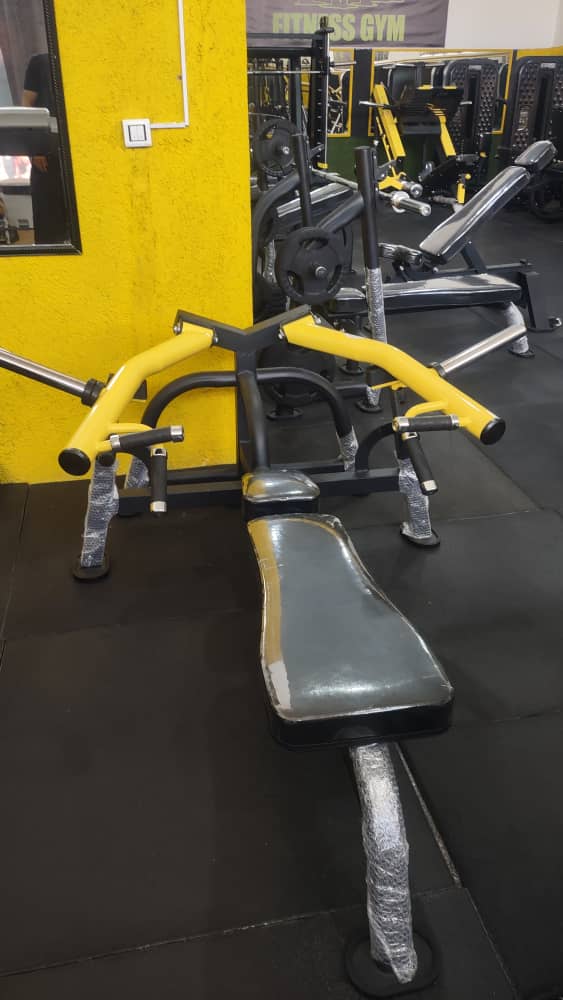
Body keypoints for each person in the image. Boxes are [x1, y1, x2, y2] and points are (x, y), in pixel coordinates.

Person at [22, 52, 68, 244]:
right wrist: (35, 148)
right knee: (49, 221)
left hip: (75, 151)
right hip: (46, 153)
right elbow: (27, 104)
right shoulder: (40, 62)